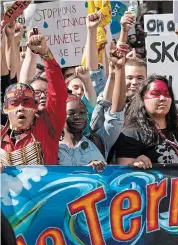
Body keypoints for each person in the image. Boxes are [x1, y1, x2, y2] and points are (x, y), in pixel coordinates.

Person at [1, 33, 67, 165]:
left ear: (35, 106)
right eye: (14, 103)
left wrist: (45, 55)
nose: (21, 108)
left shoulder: (48, 127)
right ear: (5, 108)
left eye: (26, 103)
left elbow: (58, 94)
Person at [58, 51, 127, 170]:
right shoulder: (52, 147)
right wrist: (85, 170)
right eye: (71, 113)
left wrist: (120, 69)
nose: (78, 117)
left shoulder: (100, 140)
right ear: (60, 116)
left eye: (82, 113)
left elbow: (116, 114)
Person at [114, 75, 178, 167]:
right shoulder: (131, 135)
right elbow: (123, 174)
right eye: (155, 94)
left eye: (166, 94)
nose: (163, 98)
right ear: (142, 99)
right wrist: (134, 164)